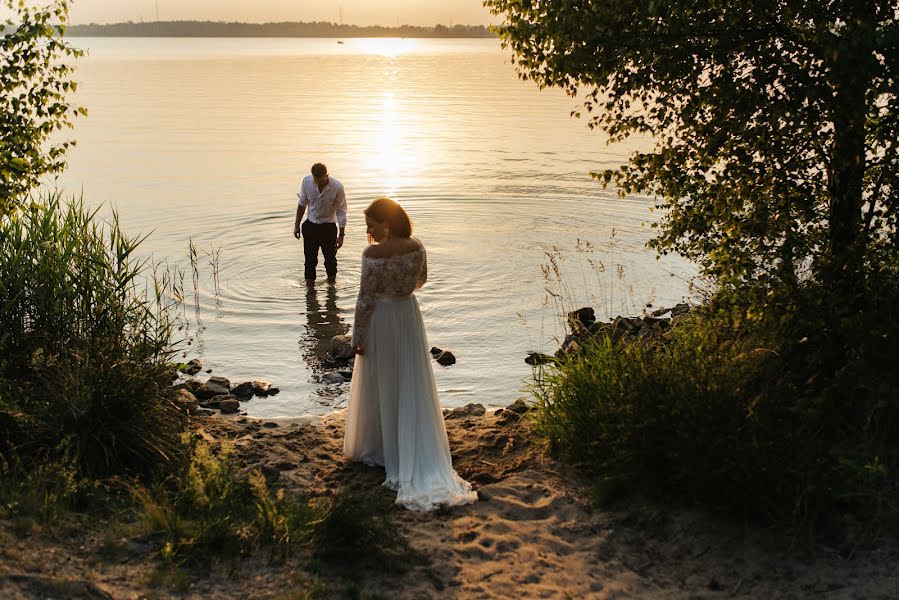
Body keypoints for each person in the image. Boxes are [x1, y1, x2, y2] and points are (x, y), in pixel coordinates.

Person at [344, 197, 477, 511]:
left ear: (386, 224)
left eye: (371, 225)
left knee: (383, 380)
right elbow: (422, 280)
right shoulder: (417, 246)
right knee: (409, 380)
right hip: (408, 315)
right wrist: (402, 291)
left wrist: (357, 337)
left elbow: (365, 297)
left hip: (383, 319)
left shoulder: (372, 254)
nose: (368, 231)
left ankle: (381, 448)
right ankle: (407, 447)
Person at [293, 163, 347, 285]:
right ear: (313, 176)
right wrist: (297, 225)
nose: (318, 184)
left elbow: (341, 211)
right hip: (310, 226)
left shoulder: (337, 187)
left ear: (327, 175)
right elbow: (302, 204)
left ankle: (332, 290)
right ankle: (310, 293)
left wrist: (341, 235)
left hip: (328, 228)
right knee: (309, 262)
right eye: (316, 180)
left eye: (321, 181)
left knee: (330, 261)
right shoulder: (307, 182)